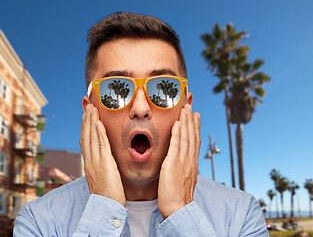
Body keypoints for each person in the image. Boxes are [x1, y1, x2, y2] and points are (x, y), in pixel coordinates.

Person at [14, 12, 268, 236]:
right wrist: (103, 211)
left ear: (185, 107)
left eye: (163, 89)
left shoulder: (241, 214)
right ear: (90, 110)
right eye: (116, 90)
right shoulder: (39, 221)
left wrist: (181, 214)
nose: (140, 109)